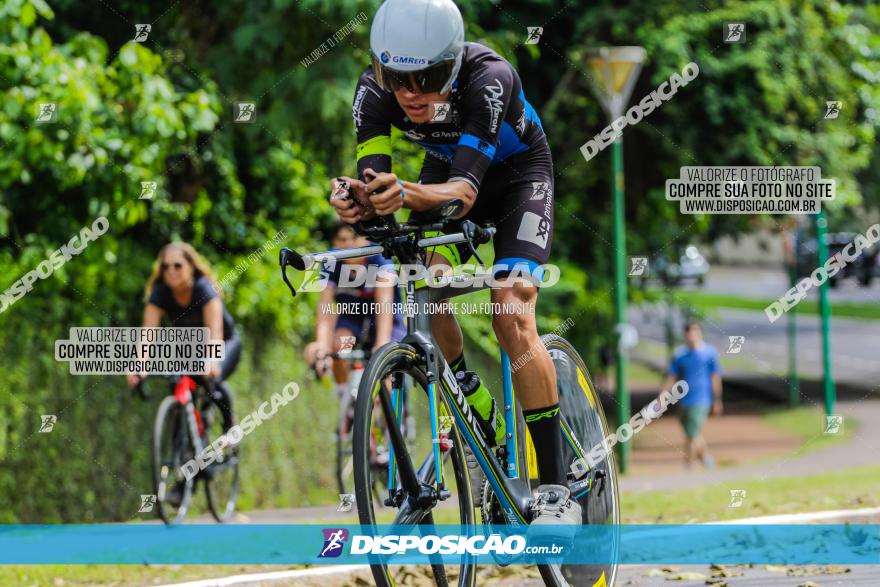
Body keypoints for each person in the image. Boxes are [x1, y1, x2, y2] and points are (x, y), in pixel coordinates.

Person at [328, 0, 579, 527]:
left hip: (514, 179)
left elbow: (464, 195)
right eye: (396, 76)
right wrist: (357, 198)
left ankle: (555, 490)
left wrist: (400, 195)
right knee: (427, 286)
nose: (410, 93)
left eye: (428, 77)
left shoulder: (490, 77)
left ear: (452, 63)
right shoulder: (372, 94)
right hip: (442, 169)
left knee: (510, 312)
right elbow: (380, 190)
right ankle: (475, 408)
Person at [127, 242, 241, 433]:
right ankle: (184, 445)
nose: (171, 271)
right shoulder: (160, 292)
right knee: (177, 382)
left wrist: (211, 360)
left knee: (212, 377)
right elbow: (147, 333)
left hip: (225, 343)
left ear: (191, 267)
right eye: (165, 266)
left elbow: (215, 332)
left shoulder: (204, 289)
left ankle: (229, 424)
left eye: (177, 265)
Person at [304, 222, 406, 390]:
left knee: (388, 369)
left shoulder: (379, 254)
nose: (349, 244)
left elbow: (385, 303)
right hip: (352, 318)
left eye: (355, 238)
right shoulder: (331, 260)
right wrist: (322, 344)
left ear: (366, 240)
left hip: (385, 318)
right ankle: (345, 398)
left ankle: (392, 412)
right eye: (343, 240)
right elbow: (325, 304)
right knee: (337, 347)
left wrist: (381, 343)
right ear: (335, 244)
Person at [662, 321, 723, 468]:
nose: (692, 335)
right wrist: (663, 394)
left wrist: (717, 399)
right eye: (689, 332)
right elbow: (671, 376)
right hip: (683, 399)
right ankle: (702, 458)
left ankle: (691, 461)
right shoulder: (680, 355)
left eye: (695, 332)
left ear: (700, 333)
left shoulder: (709, 353)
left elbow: (715, 377)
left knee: (693, 429)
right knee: (690, 432)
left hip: (702, 399)